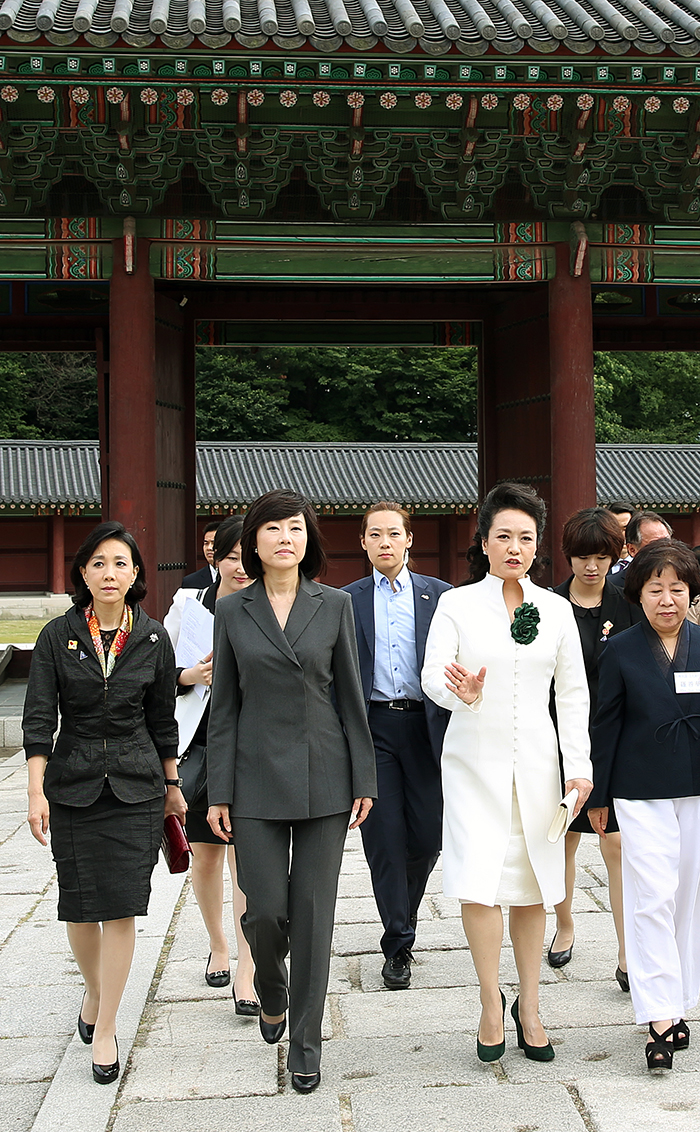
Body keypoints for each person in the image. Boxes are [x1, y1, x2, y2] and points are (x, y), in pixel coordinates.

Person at [206, 489, 376, 1094]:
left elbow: (352, 699)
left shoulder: (333, 606)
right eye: (272, 529)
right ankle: (271, 986)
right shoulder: (232, 611)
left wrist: (364, 777)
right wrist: (217, 789)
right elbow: (223, 707)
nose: (285, 537)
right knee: (266, 912)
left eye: (295, 528)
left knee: (312, 914)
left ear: (309, 540)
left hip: (325, 775)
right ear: (252, 542)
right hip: (252, 779)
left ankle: (306, 1041)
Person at [421, 482, 592, 1064]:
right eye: (503, 536)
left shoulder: (557, 609)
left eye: (525, 537)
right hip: (473, 762)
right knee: (479, 879)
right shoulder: (457, 605)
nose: (514, 547)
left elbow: (572, 695)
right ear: (485, 542)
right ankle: (491, 1001)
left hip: (541, 766)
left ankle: (533, 1005)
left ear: (538, 545)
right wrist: (459, 691)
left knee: (531, 886)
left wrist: (580, 767)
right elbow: (429, 678)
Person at [22, 520, 186, 1085]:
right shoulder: (56, 635)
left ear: (136, 573)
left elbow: (163, 719)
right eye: (98, 563)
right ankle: (95, 993)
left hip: (138, 788)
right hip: (73, 785)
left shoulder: (154, 637)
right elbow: (40, 715)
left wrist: (173, 786)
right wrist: (35, 787)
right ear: (83, 574)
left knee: (121, 906)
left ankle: (109, 1022)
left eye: (120, 563)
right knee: (80, 905)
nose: (109, 573)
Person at [589, 539, 700, 1071]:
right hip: (638, 790)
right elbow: (604, 724)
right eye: (656, 589)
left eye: (677, 589)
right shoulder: (622, 650)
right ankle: (659, 1016)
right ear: (639, 594)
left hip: (696, 788)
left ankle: (679, 1004)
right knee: (652, 894)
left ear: (689, 594)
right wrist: (601, 794)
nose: (667, 600)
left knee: (687, 897)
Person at [343, 502, 451, 990]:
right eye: (375, 535)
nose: (385, 542)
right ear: (362, 543)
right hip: (374, 729)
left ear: (410, 539)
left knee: (428, 837)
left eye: (394, 534)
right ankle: (398, 941)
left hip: (427, 728)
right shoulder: (345, 601)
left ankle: (402, 919)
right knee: (384, 839)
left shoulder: (441, 597)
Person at [164, 515, 258, 1013]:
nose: (241, 567)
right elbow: (156, 669)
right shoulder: (189, 603)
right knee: (206, 855)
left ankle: (247, 964)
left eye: (249, 558)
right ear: (214, 558)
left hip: (250, 745)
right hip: (198, 744)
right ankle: (218, 944)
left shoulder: (268, 602)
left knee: (249, 856)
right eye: (231, 557)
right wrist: (188, 675)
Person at [548, 507, 642, 989]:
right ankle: (564, 925)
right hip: (561, 735)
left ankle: (628, 951)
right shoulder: (546, 605)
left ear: (615, 555)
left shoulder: (629, 603)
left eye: (601, 557)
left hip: (618, 736)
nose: (591, 567)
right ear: (569, 557)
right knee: (563, 836)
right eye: (583, 557)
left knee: (617, 842)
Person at [610, 511, 672, 587]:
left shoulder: (684, 577)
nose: (664, 549)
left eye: (666, 541)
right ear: (632, 549)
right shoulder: (613, 586)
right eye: (655, 545)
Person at [182, 520, 221, 588]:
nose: (209, 548)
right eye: (206, 543)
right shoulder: (191, 581)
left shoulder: (241, 577)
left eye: (214, 543)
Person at [606, 501, 635, 574]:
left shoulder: (645, 564)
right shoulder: (597, 566)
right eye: (615, 529)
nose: (622, 535)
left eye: (626, 529)